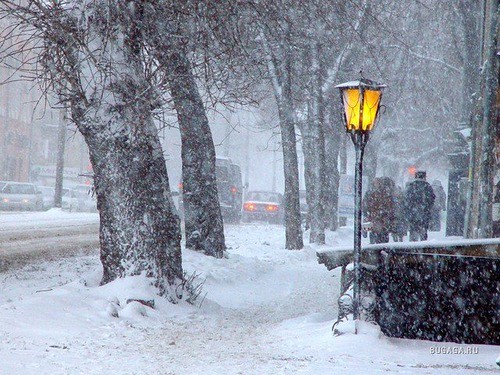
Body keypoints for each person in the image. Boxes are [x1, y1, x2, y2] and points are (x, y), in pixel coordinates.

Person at [363, 177, 396, 244]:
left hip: (375, 219)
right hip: (382, 220)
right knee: (382, 238)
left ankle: (375, 249)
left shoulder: (370, 193)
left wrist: (367, 214)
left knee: (375, 235)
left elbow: (365, 205)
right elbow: (391, 207)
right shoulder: (386, 194)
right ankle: (380, 249)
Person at [404, 171, 435, 241]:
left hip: (413, 214)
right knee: (423, 232)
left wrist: (409, 209)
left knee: (413, 231)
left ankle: (412, 247)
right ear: (424, 177)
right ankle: (423, 246)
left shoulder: (411, 186)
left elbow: (406, 199)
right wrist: (428, 208)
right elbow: (432, 198)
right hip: (424, 213)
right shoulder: (427, 186)